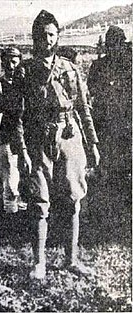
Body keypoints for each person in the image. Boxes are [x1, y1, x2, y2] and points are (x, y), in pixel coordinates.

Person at [19, 10, 100, 279]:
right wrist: (22, 151)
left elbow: (83, 109)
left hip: (69, 135)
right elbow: (17, 116)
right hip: (39, 138)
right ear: (34, 39)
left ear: (58, 37)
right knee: (40, 202)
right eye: (41, 36)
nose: (47, 40)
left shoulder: (70, 68)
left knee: (72, 198)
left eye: (51, 35)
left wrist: (93, 144)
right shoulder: (26, 72)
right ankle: (39, 263)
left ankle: (71, 259)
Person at [0, 47, 31, 213]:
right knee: (10, 180)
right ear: (2, 62)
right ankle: (10, 216)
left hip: (27, 137)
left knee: (29, 176)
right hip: (6, 139)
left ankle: (26, 216)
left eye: (14, 62)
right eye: (7, 61)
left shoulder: (27, 86)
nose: (11, 66)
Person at [87, 26, 132, 187]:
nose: (112, 48)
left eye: (116, 44)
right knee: (108, 158)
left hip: (127, 119)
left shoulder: (129, 64)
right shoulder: (98, 65)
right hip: (105, 120)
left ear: (122, 44)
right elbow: (91, 91)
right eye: (110, 45)